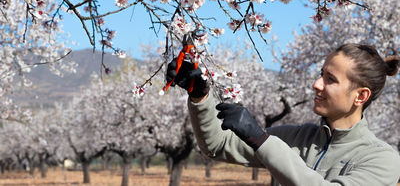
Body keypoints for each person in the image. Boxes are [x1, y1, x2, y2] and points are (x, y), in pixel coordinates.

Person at [166, 43, 400, 185]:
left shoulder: (382, 159)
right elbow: (216, 145)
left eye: (330, 79)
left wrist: (262, 141)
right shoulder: (297, 138)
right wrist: (200, 96)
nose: (317, 84)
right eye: (321, 74)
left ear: (360, 96)